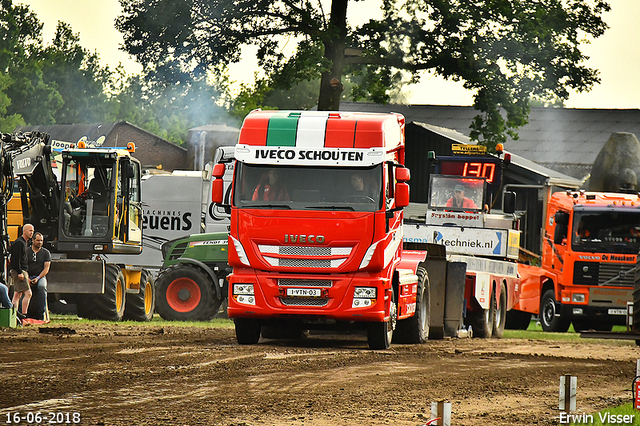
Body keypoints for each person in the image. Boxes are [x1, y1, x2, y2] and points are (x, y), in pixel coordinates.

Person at [9, 224, 34, 319]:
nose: (31, 233)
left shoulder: (24, 242)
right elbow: (15, 259)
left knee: (17, 294)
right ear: (24, 231)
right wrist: (19, 272)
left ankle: (14, 316)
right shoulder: (19, 243)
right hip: (19, 271)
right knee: (28, 293)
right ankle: (23, 316)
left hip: (22, 270)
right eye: (30, 230)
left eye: (32, 231)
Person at [27, 232, 51, 321]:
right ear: (33, 240)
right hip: (28, 276)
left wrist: (38, 278)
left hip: (40, 276)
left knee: (42, 287)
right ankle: (22, 313)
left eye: (41, 241)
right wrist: (28, 278)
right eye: (38, 240)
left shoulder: (46, 253)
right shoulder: (27, 251)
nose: (40, 242)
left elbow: (46, 268)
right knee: (21, 289)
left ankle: (41, 313)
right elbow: (23, 266)